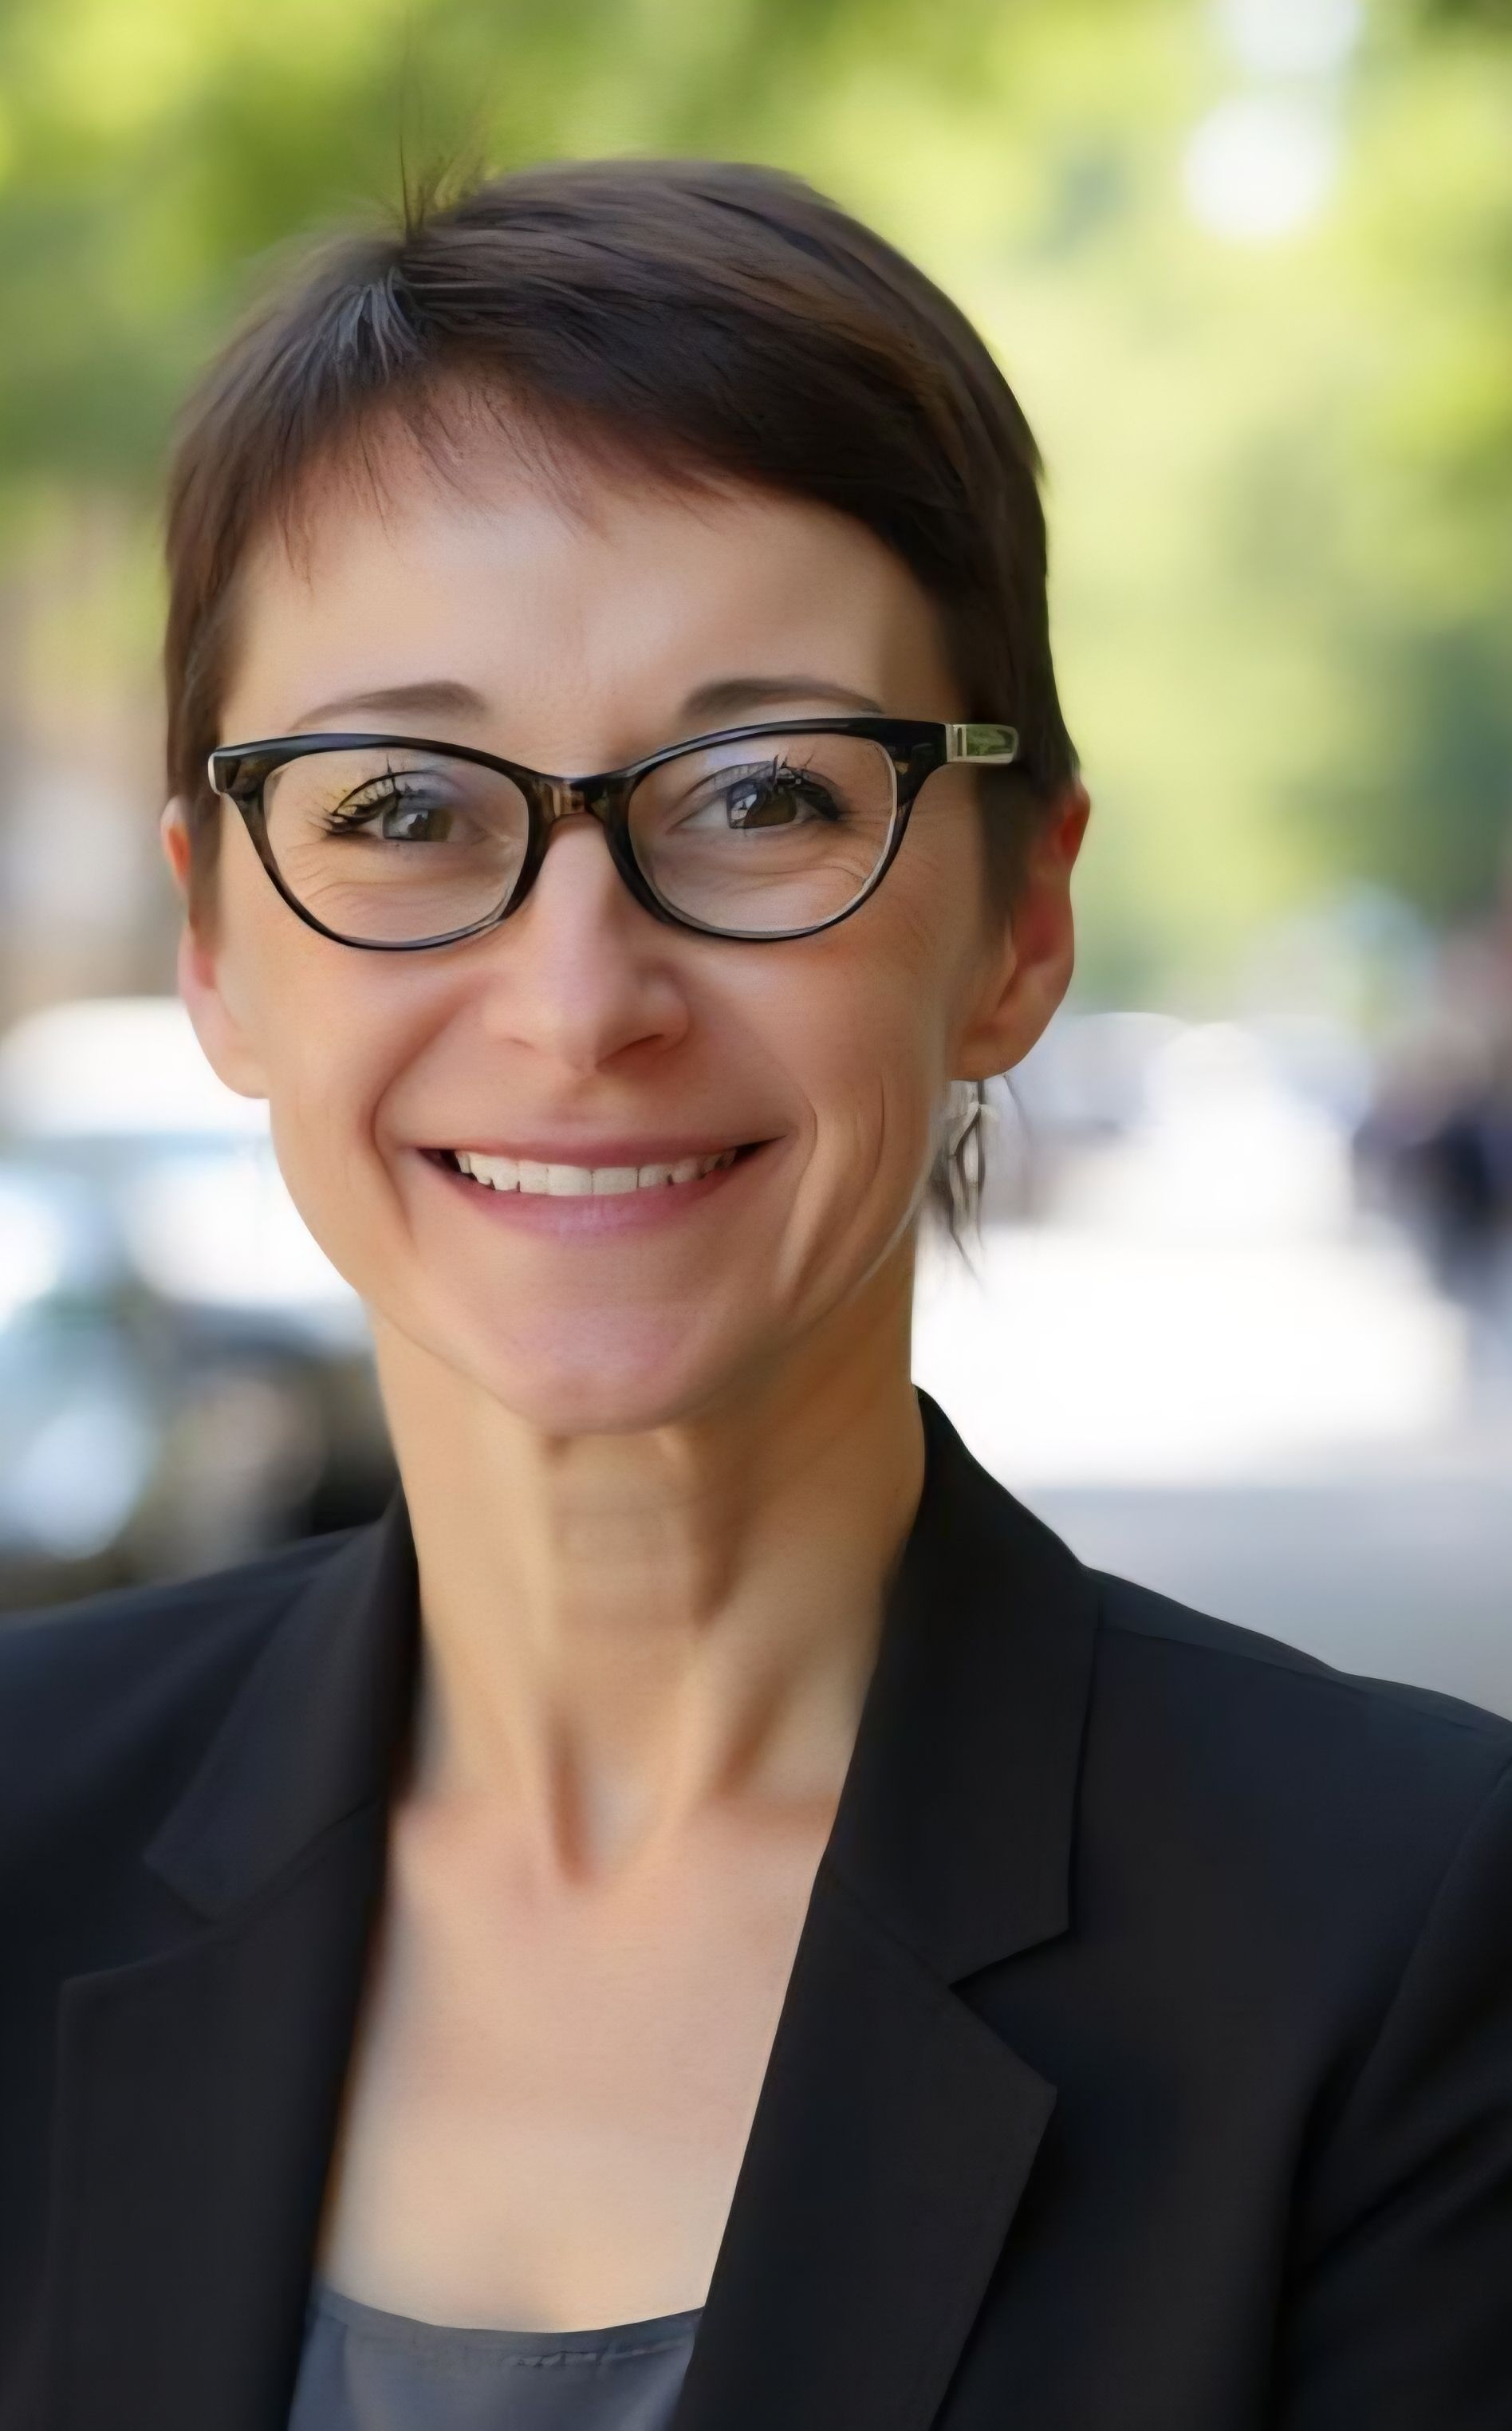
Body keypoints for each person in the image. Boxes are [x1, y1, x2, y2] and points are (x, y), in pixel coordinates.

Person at [2, 159, 1510, 2431]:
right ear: (218, 943)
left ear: (1017, 923)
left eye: (764, 795)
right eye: (404, 809)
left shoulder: (1407, 1939)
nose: (579, 998)